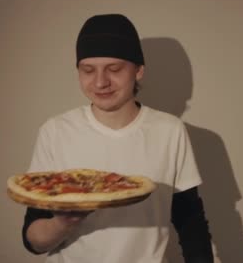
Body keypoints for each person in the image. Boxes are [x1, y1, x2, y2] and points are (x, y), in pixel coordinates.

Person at [21, 14, 213, 262]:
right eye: (88, 70)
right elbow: (33, 241)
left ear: (139, 70)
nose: (101, 82)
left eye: (114, 69)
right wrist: (63, 223)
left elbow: (191, 225)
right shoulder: (56, 131)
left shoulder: (170, 131)